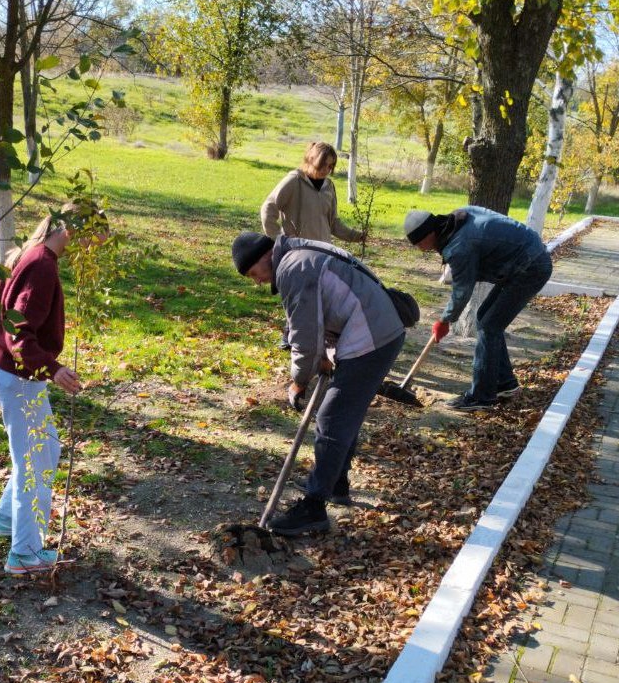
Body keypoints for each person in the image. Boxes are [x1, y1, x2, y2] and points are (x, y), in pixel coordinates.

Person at [232, 231, 405, 536]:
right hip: (375, 328)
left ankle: (314, 507)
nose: (256, 281)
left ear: (264, 256)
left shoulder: (293, 267)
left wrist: (299, 381)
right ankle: (336, 483)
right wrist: (324, 354)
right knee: (344, 412)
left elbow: (305, 338)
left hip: (372, 336)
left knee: (332, 417)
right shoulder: (298, 255)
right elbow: (313, 312)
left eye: (252, 273)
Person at [0, 204, 86, 574]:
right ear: (73, 230)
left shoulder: (34, 252)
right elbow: (19, 331)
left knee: (44, 452)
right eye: (91, 240)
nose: (89, 250)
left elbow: (3, 310)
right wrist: (53, 370)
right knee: (35, 463)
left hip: (14, 374)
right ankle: (25, 554)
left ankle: (5, 520)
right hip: (20, 379)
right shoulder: (42, 264)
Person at [404, 206, 552, 412]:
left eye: (419, 243)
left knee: (489, 326)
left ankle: (481, 396)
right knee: (486, 319)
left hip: (530, 267)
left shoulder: (459, 245)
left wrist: (445, 321)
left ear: (429, 234)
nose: (420, 249)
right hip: (525, 259)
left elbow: (462, 291)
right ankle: (504, 383)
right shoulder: (458, 219)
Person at [261, 142, 366, 351]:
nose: (327, 170)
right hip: (298, 253)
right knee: (298, 295)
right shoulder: (294, 181)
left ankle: (320, 340)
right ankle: (289, 335)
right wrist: (279, 241)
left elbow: (333, 223)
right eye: (323, 165)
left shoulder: (329, 187)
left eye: (331, 166)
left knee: (321, 296)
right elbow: (268, 209)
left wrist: (356, 236)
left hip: (323, 253)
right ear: (311, 160)